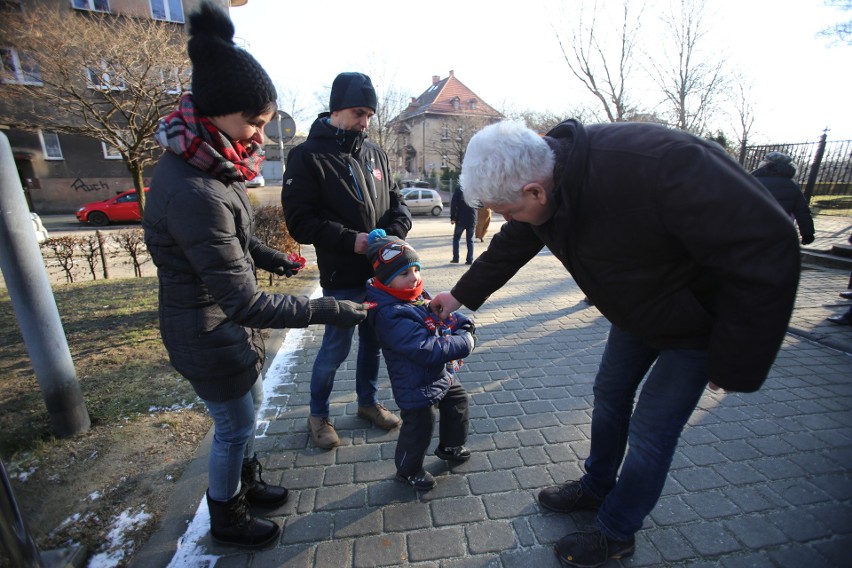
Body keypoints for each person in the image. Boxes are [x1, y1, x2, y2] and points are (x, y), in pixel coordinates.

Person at [429, 120, 800, 567]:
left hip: (700, 326)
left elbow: (769, 243)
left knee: (650, 432)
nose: (508, 219)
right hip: (636, 314)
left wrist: (736, 358)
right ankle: (597, 485)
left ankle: (617, 531)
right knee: (608, 395)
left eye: (508, 210)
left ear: (535, 192)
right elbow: (516, 241)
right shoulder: (545, 182)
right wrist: (461, 295)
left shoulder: (661, 163)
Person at [142, 2, 367, 549]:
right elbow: (243, 302)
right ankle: (228, 515)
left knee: (249, 411)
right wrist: (328, 308)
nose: (261, 137)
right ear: (218, 112)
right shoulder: (195, 189)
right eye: (256, 123)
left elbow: (235, 242)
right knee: (234, 427)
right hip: (207, 328)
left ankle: (247, 481)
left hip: (221, 325)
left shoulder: (210, 166)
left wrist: (276, 259)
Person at [282, 72, 412, 449]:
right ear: (336, 109)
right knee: (335, 349)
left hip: (382, 275)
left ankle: (367, 404)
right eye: (359, 112)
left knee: (373, 344)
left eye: (369, 114)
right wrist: (350, 241)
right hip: (342, 276)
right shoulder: (307, 156)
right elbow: (300, 222)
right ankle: (318, 415)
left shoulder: (375, 154)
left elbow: (396, 201)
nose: (365, 122)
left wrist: (396, 233)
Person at [365, 229, 474, 491]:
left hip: (438, 376)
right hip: (414, 384)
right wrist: (464, 342)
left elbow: (440, 315)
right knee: (420, 428)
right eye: (404, 274)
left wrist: (462, 321)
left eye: (416, 270)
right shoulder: (390, 313)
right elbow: (427, 349)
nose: (414, 278)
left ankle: (450, 446)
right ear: (386, 280)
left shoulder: (413, 297)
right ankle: (408, 470)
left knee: (457, 402)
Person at [751, 151, 815, 245]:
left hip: (752, 229)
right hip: (781, 231)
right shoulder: (792, 185)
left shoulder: (752, 181)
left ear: (764, 164)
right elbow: (802, 211)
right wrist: (807, 234)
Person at [450, 187, 476, 264]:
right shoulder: (475, 189)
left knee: (456, 239)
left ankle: (456, 258)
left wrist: (453, 217)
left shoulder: (459, 189)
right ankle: (469, 259)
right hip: (472, 218)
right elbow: (480, 203)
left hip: (461, 218)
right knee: (470, 240)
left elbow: (453, 204)